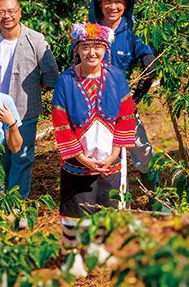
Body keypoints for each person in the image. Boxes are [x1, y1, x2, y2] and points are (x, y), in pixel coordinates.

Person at [52, 21, 136, 278]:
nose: (92, 52)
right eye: (85, 47)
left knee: (105, 205)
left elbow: (126, 116)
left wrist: (114, 155)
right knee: (75, 209)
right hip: (78, 159)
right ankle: (71, 254)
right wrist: (82, 158)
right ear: (76, 49)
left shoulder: (116, 77)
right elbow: (61, 122)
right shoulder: (66, 80)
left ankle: (97, 246)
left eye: (97, 46)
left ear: (105, 49)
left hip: (110, 156)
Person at [0, 0, 59, 200]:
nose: (6, 16)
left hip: (25, 111)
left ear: (20, 12)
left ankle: (16, 202)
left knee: (21, 158)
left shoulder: (35, 39)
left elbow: (51, 73)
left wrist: (33, 88)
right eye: (0, 12)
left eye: (11, 11)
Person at [88, 0, 157, 187]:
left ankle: (154, 193)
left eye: (118, 1)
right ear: (99, 3)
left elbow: (149, 66)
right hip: (91, 100)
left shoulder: (134, 29)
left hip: (122, 101)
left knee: (142, 149)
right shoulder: (89, 30)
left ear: (126, 4)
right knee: (96, 151)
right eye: (107, 1)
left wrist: (134, 99)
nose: (113, 6)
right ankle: (102, 195)